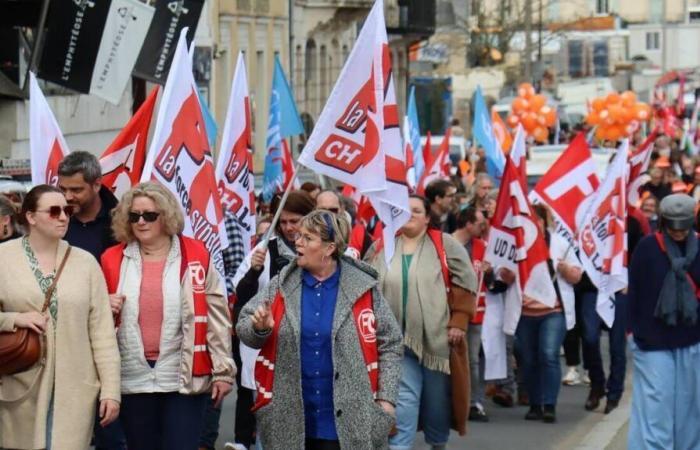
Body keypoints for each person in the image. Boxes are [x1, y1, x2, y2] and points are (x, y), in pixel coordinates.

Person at [237, 210, 403, 449]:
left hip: (351, 421)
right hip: (291, 419)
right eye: (299, 236)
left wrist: (386, 400)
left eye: (308, 238)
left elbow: (391, 343)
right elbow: (245, 325)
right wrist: (259, 328)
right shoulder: (283, 282)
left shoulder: (363, 287)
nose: (297, 241)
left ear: (329, 248)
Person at [100, 182, 235, 450]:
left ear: (167, 216)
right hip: (132, 378)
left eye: (149, 215)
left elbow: (216, 316)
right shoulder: (111, 259)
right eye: (134, 215)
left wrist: (223, 371)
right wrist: (104, 306)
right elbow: (95, 319)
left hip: (183, 377)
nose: (141, 221)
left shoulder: (196, 254)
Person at [0, 185, 121, 450]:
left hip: (75, 388)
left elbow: (101, 332)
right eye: (54, 211)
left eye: (67, 210)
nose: (64, 217)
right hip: (20, 387)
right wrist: (12, 320)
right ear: (31, 217)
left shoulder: (85, 263)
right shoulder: (3, 258)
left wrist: (111, 390)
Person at [368, 195, 477, 450]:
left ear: (428, 217)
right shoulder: (381, 246)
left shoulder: (444, 244)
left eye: (416, 211)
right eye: (404, 210)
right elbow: (363, 282)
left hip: (438, 341)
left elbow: (467, 282)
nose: (410, 214)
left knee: (437, 402)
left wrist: (459, 321)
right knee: (403, 400)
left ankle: (438, 444)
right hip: (393, 342)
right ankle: (400, 446)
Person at [230, 190, 315, 449]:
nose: (289, 228)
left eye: (295, 221)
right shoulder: (265, 249)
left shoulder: (321, 249)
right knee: (266, 409)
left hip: (307, 344)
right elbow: (241, 297)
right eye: (284, 222)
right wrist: (254, 271)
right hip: (268, 342)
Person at [628, 194, 700, 448]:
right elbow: (633, 290)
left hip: (692, 340)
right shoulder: (647, 247)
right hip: (653, 340)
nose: (678, 232)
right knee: (656, 407)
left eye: (683, 226)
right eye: (673, 226)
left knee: (690, 408)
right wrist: (631, 332)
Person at [515, 204, 582, 423]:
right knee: (529, 359)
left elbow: (576, 276)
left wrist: (564, 269)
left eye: (537, 220)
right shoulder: (518, 245)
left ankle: (549, 404)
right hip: (524, 313)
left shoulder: (560, 244)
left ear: (544, 222)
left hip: (553, 311)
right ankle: (535, 404)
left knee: (548, 354)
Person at [200, 210, 247, 450]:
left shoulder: (226, 219)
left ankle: (205, 442)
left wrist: (210, 285)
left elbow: (236, 271)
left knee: (211, 385)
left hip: (213, 314)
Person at [451, 206, 489, 422]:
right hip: (448, 312)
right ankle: (452, 401)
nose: (483, 227)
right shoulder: (447, 244)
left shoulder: (482, 247)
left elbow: (489, 282)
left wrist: (490, 272)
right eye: (479, 223)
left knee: (473, 360)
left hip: (474, 314)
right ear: (468, 224)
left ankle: (474, 402)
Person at [57, 150, 119, 260]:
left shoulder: (122, 221)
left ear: (96, 185)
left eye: (76, 190)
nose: (67, 197)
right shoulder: (52, 218)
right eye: (62, 189)